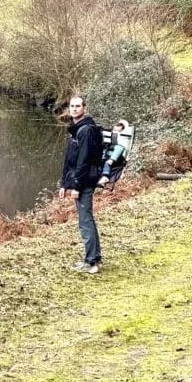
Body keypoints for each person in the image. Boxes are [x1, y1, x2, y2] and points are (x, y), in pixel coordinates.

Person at [58, 95, 104, 274]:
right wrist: (64, 184)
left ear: (84, 108)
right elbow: (70, 160)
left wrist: (76, 186)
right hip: (79, 181)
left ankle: (92, 262)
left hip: (84, 181)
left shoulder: (86, 131)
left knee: (85, 221)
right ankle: (94, 259)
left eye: (78, 106)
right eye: (72, 106)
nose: (75, 109)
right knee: (87, 219)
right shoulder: (76, 129)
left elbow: (84, 162)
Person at [97, 120, 130, 189]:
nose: (116, 129)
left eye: (119, 127)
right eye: (116, 127)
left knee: (107, 163)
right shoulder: (111, 135)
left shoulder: (123, 137)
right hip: (108, 154)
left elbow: (120, 148)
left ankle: (105, 177)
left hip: (116, 157)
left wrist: (112, 159)